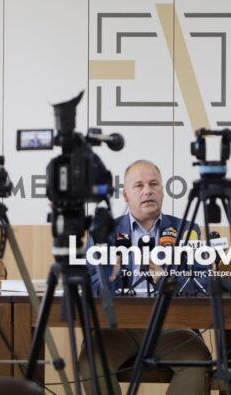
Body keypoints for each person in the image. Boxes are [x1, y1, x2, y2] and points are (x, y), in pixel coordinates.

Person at [78, 159, 211, 394]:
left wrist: (167, 280)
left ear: (162, 190)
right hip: (117, 326)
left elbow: (204, 283)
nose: (148, 191)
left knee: (197, 361)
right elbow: (89, 288)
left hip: (172, 325)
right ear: (126, 195)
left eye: (153, 184)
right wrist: (110, 278)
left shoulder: (186, 230)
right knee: (92, 362)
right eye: (139, 186)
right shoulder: (104, 234)